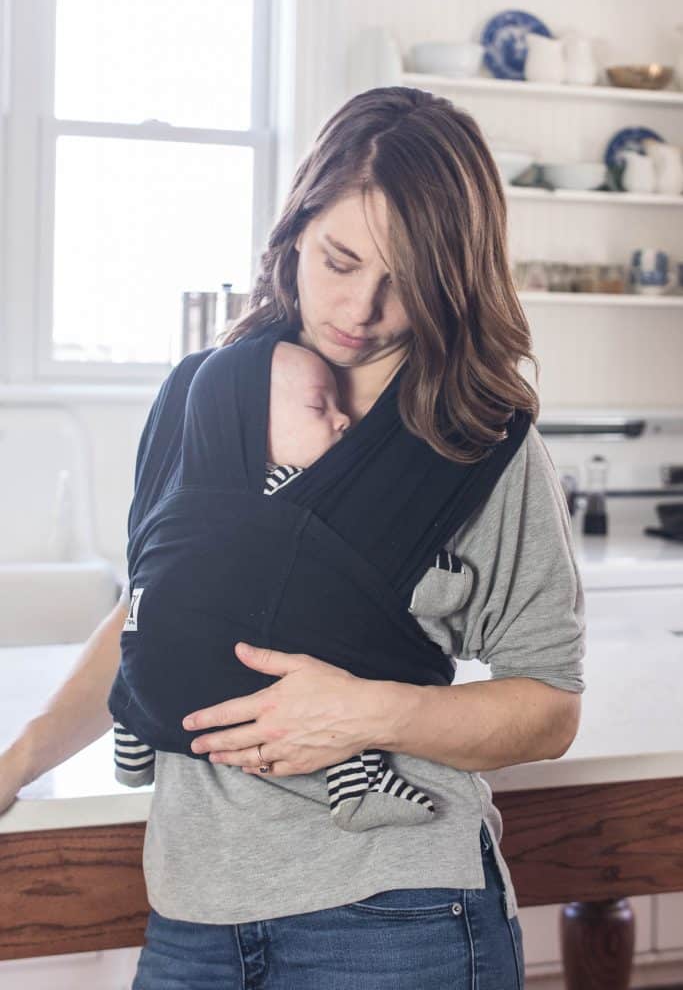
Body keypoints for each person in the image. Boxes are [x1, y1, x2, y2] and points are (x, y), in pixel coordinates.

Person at [0, 86, 586, 989]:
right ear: (293, 234)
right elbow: (148, 616)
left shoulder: (476, 438)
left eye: (405, 282)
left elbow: (548, 706)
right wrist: (19, 760)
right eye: (338, 261)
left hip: (400, 916)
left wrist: (365, 712)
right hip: (196, 912)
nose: (361, 308)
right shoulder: (205, 392)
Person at [112, 336, 468, 832]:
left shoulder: (178, 494)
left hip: (162, 696)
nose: (342, 420)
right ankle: (357, 785)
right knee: (339, 676)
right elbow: (366, 564)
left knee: (135, 672)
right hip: (243, 698)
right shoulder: (290, 496)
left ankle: (131, 746)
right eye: (318, 406)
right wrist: (441, 576)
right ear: (257, 431)